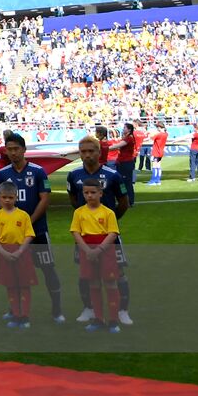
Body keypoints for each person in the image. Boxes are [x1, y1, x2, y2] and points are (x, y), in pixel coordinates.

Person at [0, 131, 64, 323]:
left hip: (38, 231)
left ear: (24, 150)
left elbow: (45, 198)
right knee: (14, 272)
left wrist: (28, 223)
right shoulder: (2, 174)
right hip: (13, 237)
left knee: (48, 268)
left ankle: (57, 309)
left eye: (16, 149)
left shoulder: (38, 171)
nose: (13, 153)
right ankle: (14, 309)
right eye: (9, 149)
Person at [66, 136, 132, 325]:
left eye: (90, 151)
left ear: (99, 151)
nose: (87, 155)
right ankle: (89, 309)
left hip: (109, 236)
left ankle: (122, 310)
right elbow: (73, 200)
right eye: (83, 152)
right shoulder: (74, 175)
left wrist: (108, 223)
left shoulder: (113, 175)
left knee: (118, 273)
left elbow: (123, 203)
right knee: (86, 274)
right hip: (85, 237)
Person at [71, 177, 122, 333]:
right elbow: (76, 232)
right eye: (86, 193)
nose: (89, 196)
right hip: (87, 250)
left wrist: (98, 250)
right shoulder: (79, 212)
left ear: (100, 193)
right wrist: (87, 250)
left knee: (111, 283)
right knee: (93, 284)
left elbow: (113, 233)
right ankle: (98, 319)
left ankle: (113, 320)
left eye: (93, 192)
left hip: (105, 250)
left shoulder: (108, 213)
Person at [0, 181, 35, 328]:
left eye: (10, 197)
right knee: (11, 285)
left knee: (24, 285)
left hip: (22, 252)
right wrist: (2, 251)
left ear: (16, 197)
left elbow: (29, 235)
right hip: (4, 253)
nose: (7, 200)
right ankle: (15, 315)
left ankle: (25, 316)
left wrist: (20, 251)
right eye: (4, 197)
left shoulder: (23, 215)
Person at [105, 124, 138, 206]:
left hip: (125, 163)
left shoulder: (128, 138)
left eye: (124, 128)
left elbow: (117, 146)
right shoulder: (127, 138)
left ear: (129, 130)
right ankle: (126, 201)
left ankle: (129, 201)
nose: (123, 129)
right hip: (123, 163)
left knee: (126, 183)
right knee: (124, 183)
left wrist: (104, 148)